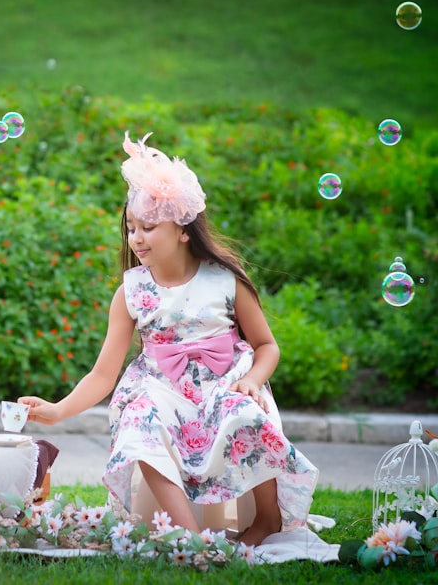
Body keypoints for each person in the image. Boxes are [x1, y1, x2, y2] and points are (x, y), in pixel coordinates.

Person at [18, 131, 320, 547]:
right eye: (131, 228)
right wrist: (57, 410)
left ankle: (267, 520)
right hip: (162, 388)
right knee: (139, 419)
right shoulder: (132, 291)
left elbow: (267, 346)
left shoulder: (225, 280)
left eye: (148, 227)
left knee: (244, 411)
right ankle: (192, 538)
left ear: (182, 230)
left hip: (223, 384)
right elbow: (104, 374)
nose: (136, 238)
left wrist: (252, 380)